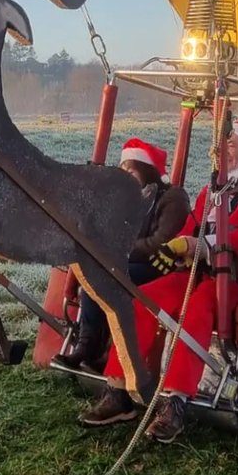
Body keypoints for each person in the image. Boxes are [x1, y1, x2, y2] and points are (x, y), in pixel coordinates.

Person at [80, 119, 238, 443]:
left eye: (231, 145)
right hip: (198, 274)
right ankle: (119, 390)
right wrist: (174, 248)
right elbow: (190, 230)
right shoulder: (212, 190)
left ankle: (176, 402)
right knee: (140, 301)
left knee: (197, 309)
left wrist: (206, 246)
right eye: (221, 147)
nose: (223, 152)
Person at [61, 138, 189, 370]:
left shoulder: (173, 198)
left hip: (159, 265)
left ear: (147, 170)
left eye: (131, 170)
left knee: (107, 276)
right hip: (128, 263)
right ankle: (88, 343)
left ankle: (98, 348)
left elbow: (161, 242)